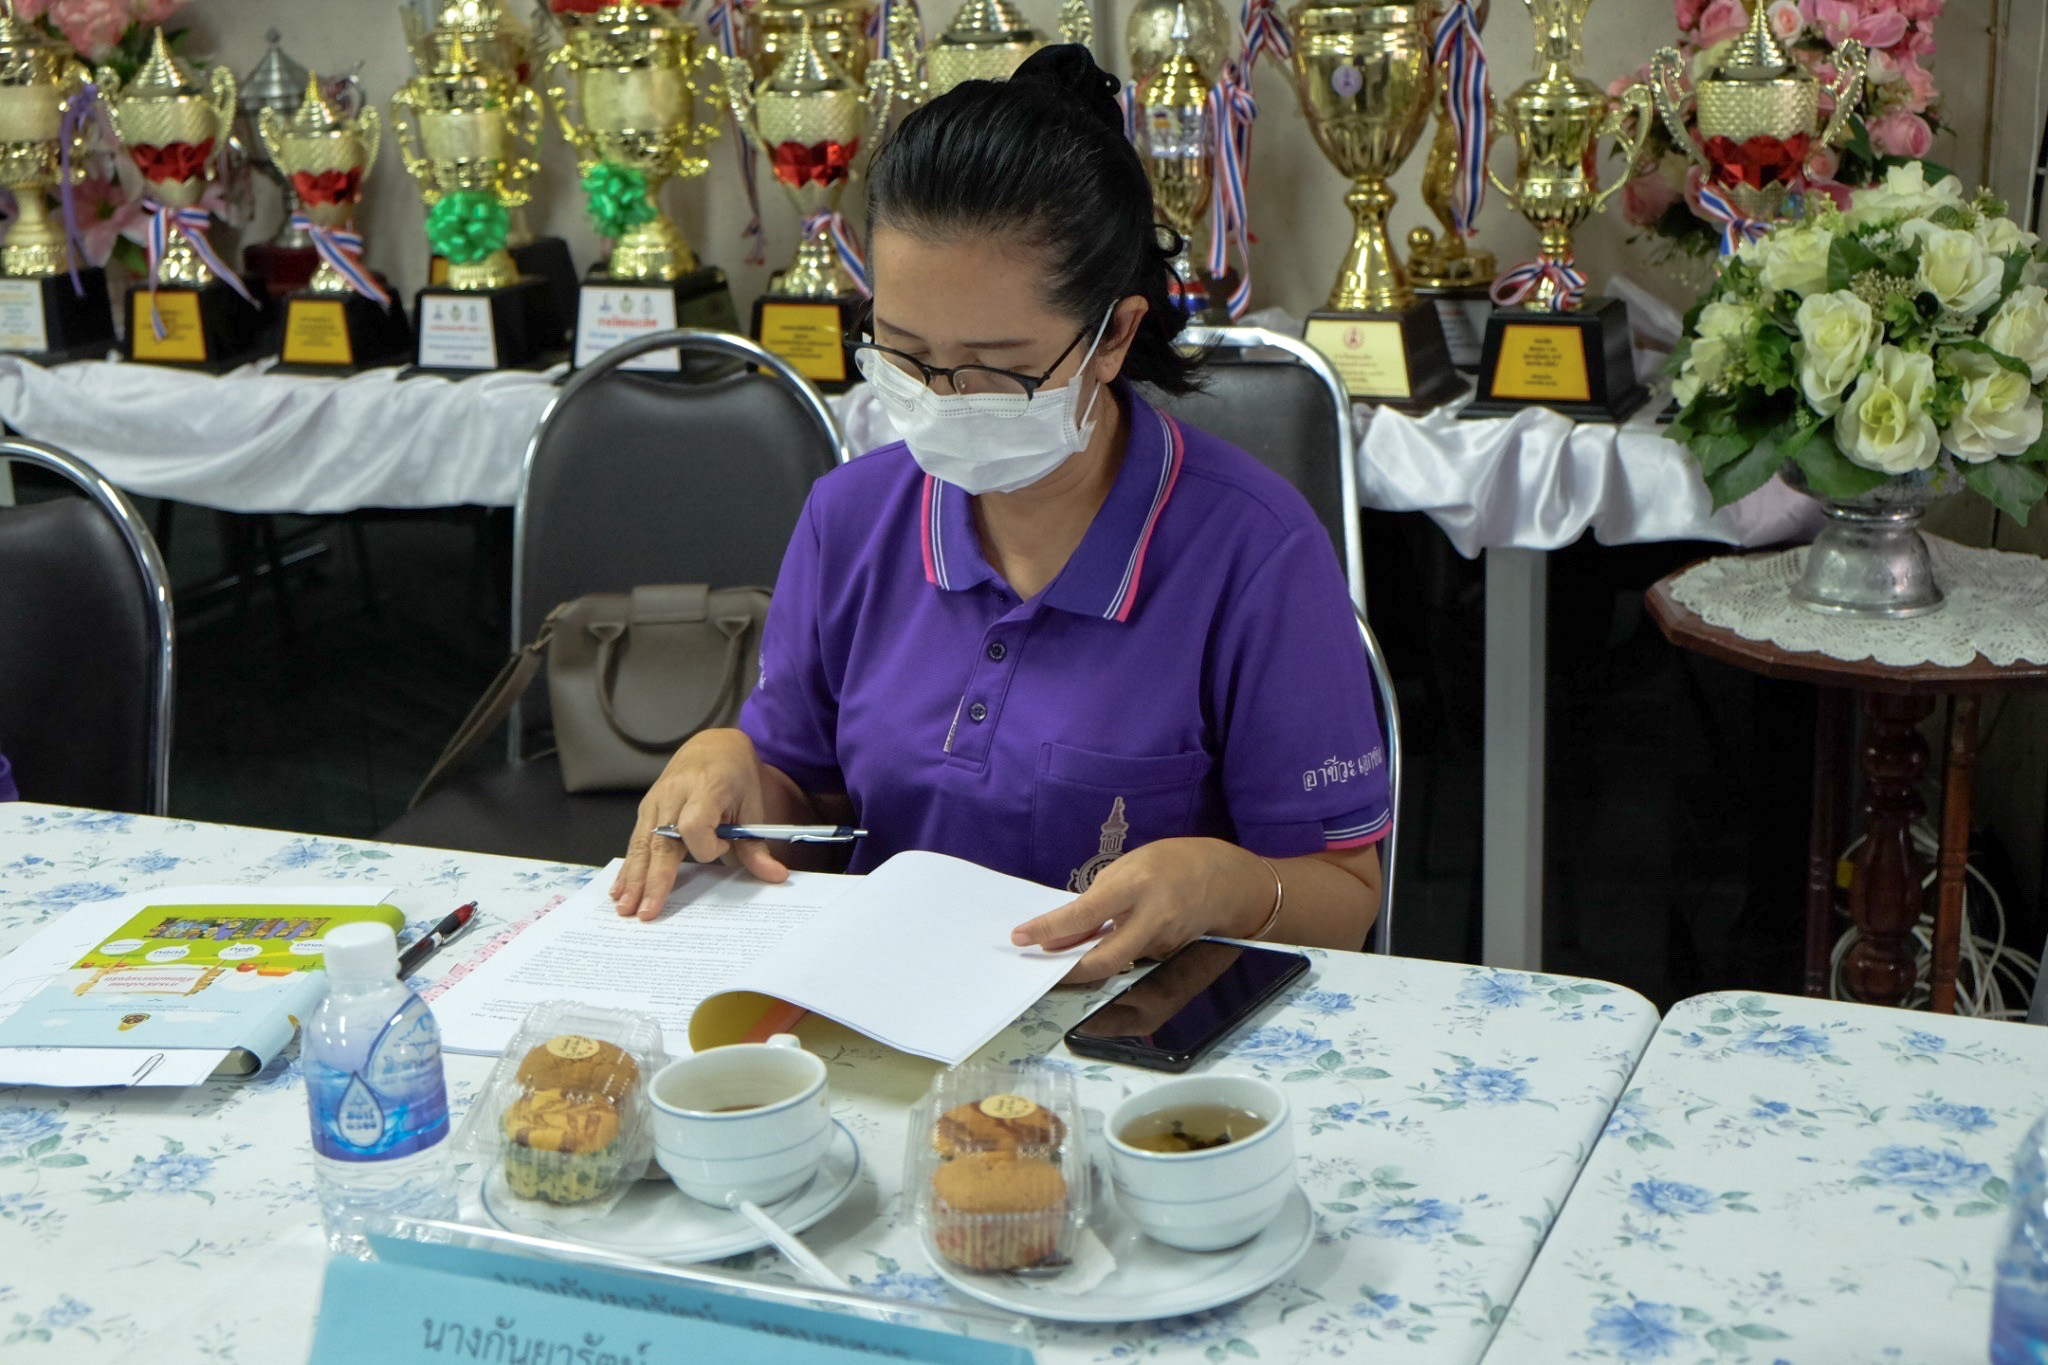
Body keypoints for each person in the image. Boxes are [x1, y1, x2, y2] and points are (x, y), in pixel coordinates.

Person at [612, 45, 1390, 982]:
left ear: (1115, 336)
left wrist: (1225, 885)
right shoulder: (851, 518)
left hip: (1133, 1041)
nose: (945, 395)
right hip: (880, 1006)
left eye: (995, 363)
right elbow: (805, 803)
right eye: (902, 351)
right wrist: (732, 766)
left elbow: (1346, 897)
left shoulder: (1254, 555)